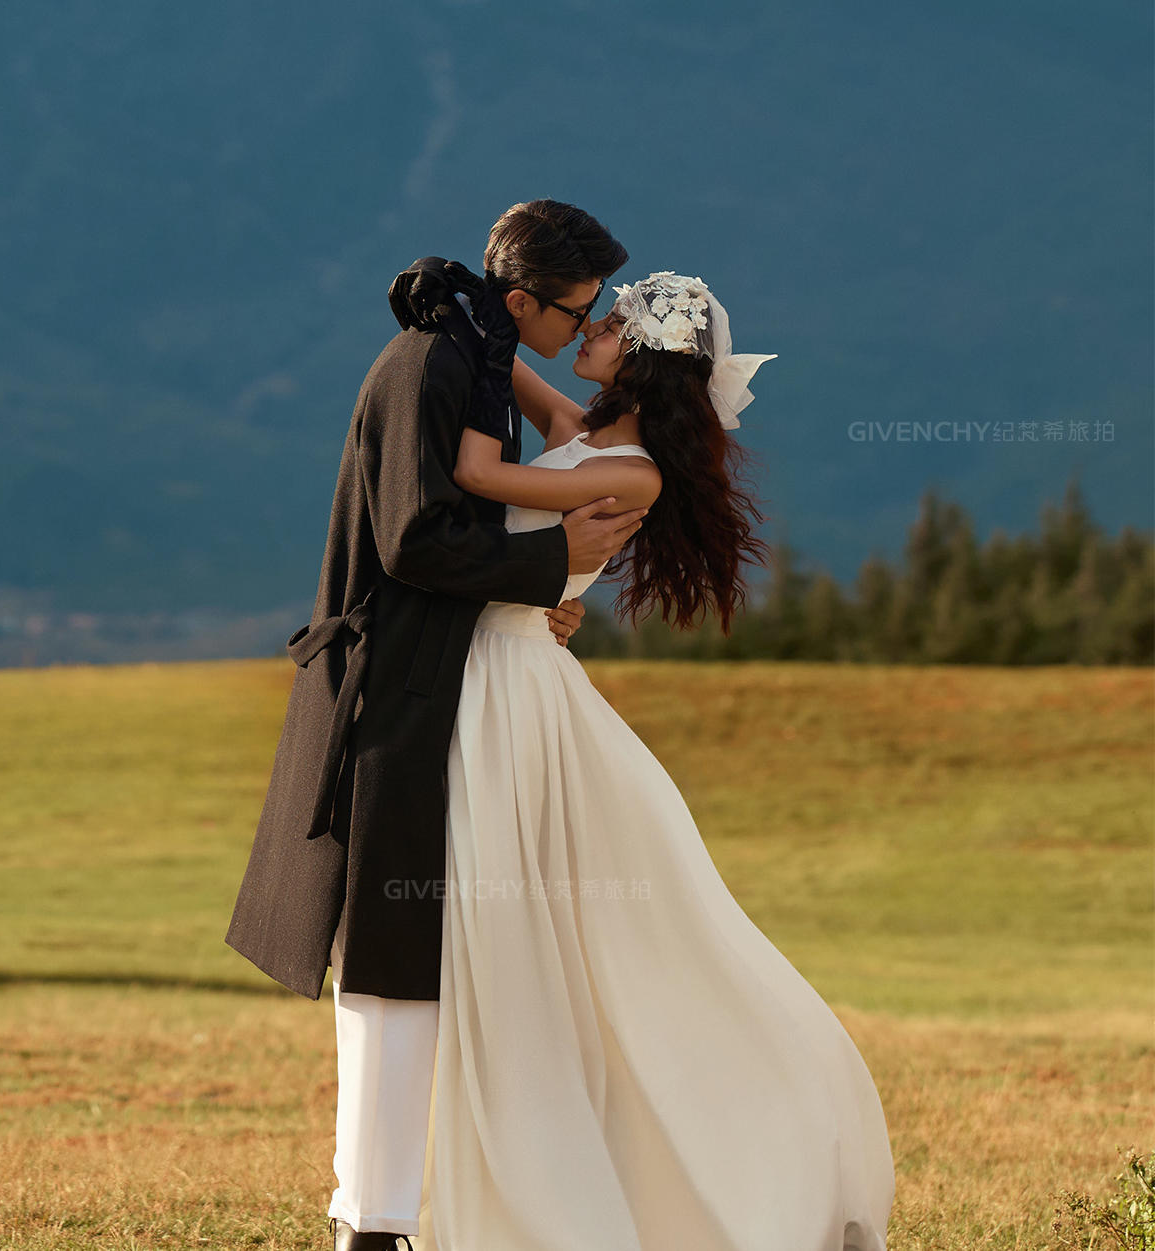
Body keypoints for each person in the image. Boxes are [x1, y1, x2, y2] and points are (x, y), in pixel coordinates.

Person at [405, 266, 897, 1249]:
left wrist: (447, 378)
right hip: (493, 677)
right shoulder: (585, 439)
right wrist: (478, 328)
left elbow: (473, 475)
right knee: (519, 938)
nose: (584, 328)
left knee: (583, 942)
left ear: (637, 359)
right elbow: (517, 388)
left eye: (605, 322)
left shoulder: (628, 470)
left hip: (516, 697)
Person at [220, 200, 645, 1251]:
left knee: (412, 957)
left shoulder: (473, 352)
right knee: (386, 964)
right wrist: (548, 564)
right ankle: (370, 1221)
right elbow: (413, 538)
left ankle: (398, 1209)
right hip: (393, 696)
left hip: (427, 688)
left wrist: (540, 582)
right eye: (574, 311)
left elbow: (472, 514)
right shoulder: (431, 368)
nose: (578, 329)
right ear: (519, 300)